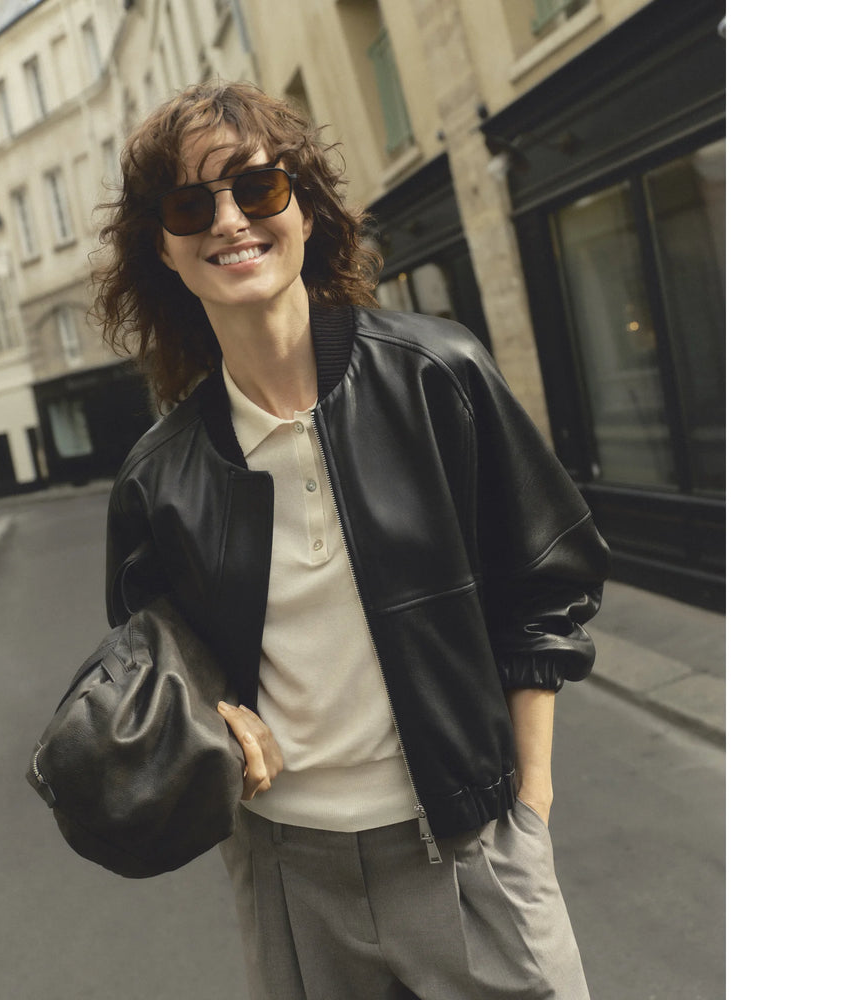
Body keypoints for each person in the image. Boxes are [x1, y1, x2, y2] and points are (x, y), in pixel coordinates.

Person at [92, 81, 609, 1000]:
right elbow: (152, 676)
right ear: (163, 249)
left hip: (471, 854)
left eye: (256, 188)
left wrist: (528, 805)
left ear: (303, 209)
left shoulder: (435, 375)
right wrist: (211, 714)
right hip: (289, 877)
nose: (229, 221)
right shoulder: (156, 477)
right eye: (189, 206)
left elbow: (548, 584)